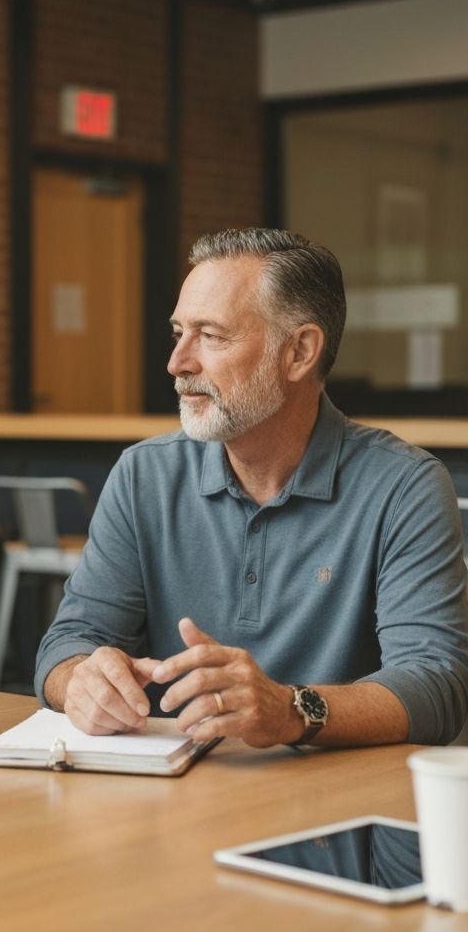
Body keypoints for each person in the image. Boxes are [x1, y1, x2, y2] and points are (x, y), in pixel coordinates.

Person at [36, 228, 468, 748]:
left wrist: (290, 711)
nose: (178, 363)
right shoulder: (141, 476)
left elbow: (437, 686)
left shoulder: (404, 486)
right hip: (176, 800)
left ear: (300, 352)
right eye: (179, 333)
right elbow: (65, 645)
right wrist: (80, 678)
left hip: (336, 807)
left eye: (211, 336)